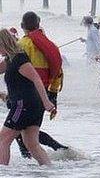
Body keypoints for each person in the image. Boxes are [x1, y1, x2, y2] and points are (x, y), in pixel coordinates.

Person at [0, 29, 56, 165]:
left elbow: (36, 79)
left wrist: (47, 102)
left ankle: (3, 172)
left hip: (24, 105)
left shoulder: (19, 59)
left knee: (3, 140)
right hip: (31, 106)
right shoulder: (10, 59)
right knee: (31, 144)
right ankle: (50, 170)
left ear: (3, 43)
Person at [17, 11, 68, 158]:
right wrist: (53, 96)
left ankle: (33, 158)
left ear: (22, 26)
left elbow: (12, 67)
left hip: (26, 93)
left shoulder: (23, 44)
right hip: (43, 91)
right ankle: (56, 151)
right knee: (26, 130)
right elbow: (58, 71)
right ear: (39, 25)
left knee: (18, 130)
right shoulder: (49, 44)